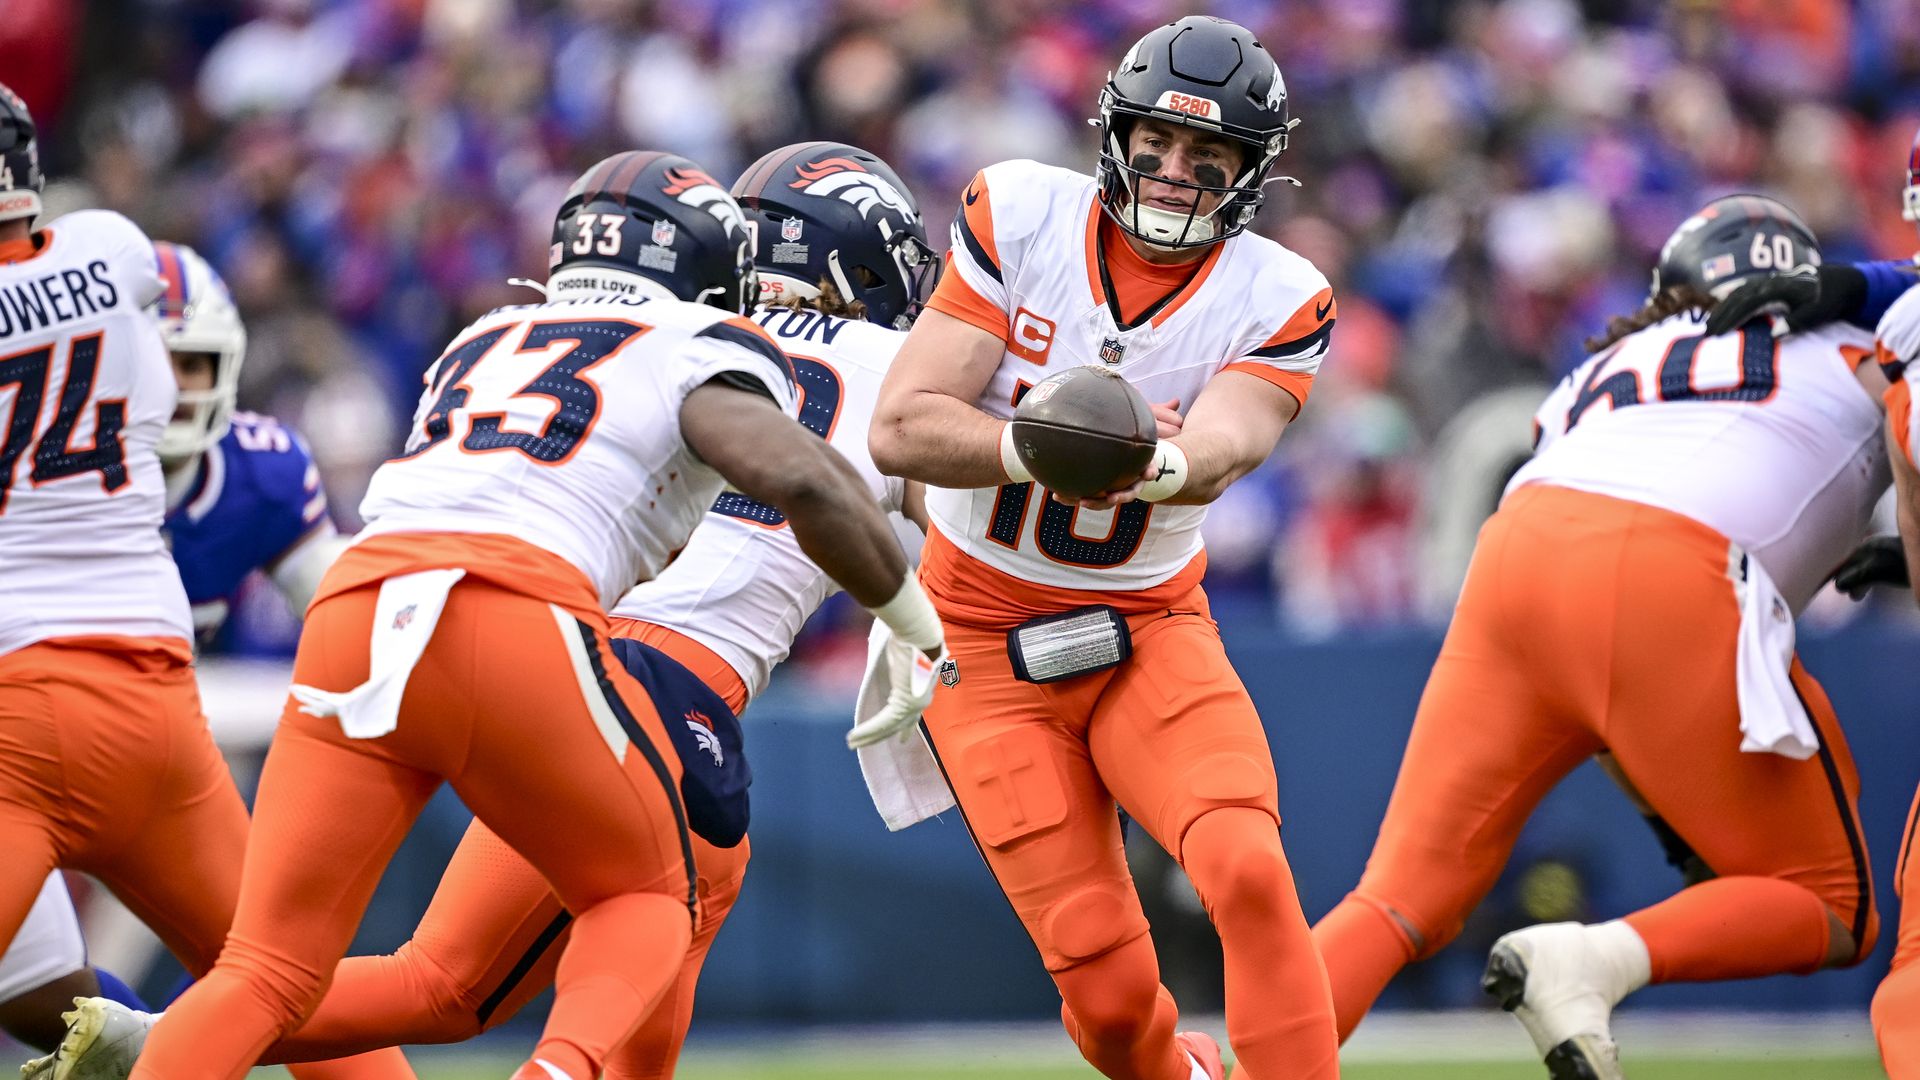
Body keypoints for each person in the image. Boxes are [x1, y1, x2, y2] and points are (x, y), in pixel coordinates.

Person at [49, 139, 943, 1080]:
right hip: (581, 648)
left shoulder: (485, 336)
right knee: (658, 895)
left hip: (370, 602)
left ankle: (165, 1043)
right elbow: (866, 496)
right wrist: (920, 623)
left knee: (370, 975)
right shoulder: (762, 357)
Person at [1311, 195, 1888, 1080]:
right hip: (1670, 565)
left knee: (1397, 896)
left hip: (1516, 555)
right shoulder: (1866, 348)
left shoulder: (1608, 358)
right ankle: (1589, 960)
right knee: (1831, 901)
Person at [868, 16, 1340, 1080]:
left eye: (1208, 156)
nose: (1175, 173)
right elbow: (899, 426)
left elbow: (1229, 442)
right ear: (1117, 136)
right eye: (1159, 144)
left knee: (1248, 869)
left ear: (1248, 172)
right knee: (1113, 995)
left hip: (1148, 624)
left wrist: (1153, 464)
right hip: (979, 642)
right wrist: (1041, 444)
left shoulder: (1278, 293)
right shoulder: (1023, 215)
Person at [0, 83, 410, 1080]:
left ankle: (133, 1052)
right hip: (151, 705)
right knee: (283, 983)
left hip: (11, 713)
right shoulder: (112, 248)